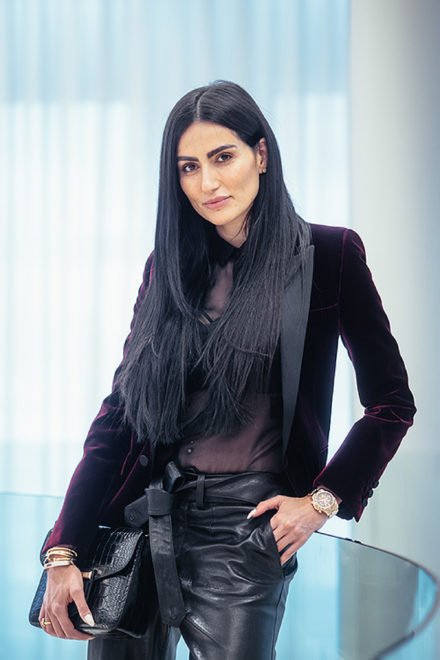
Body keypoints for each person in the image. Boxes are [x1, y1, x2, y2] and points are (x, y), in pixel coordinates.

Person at [38, 80, 416, 659]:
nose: (208, 183)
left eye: (222, 157)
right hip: (145, 521)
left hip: (247, 533)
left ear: (260, 155)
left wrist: (321, 501)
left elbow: (391, 403)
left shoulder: (329, 256)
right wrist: (64, 548)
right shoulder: (168, 268)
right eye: (189, 167)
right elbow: (121, 413)